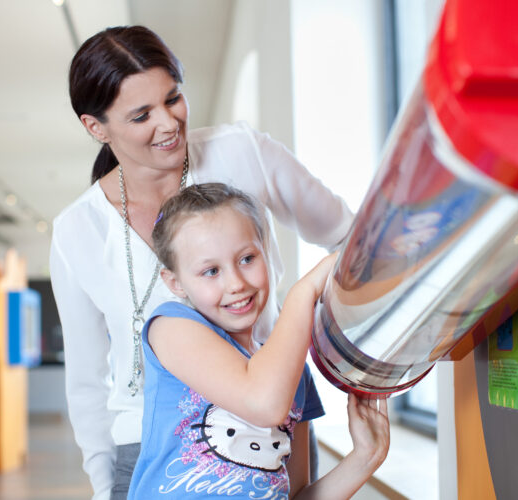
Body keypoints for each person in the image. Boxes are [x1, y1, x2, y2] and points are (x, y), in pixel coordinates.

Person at [50, 25, 354, 499]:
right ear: (96, 127)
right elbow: (87, 383)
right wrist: (103, 485)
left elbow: (351, 240)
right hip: (148, 450)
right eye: (141, 115)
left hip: (270, 427)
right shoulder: (77, 231)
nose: (168, 123)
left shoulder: (242, 152)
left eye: (173, 98)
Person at [128, 183, 389, 499]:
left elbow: (295, 495)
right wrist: (303, 292)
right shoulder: (171, 326)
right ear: (175, 282)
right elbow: (264, 404)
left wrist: (365, 458)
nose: (236, 283)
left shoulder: (292, 374)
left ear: (266, 251)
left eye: (247, 258)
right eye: (211, 271)